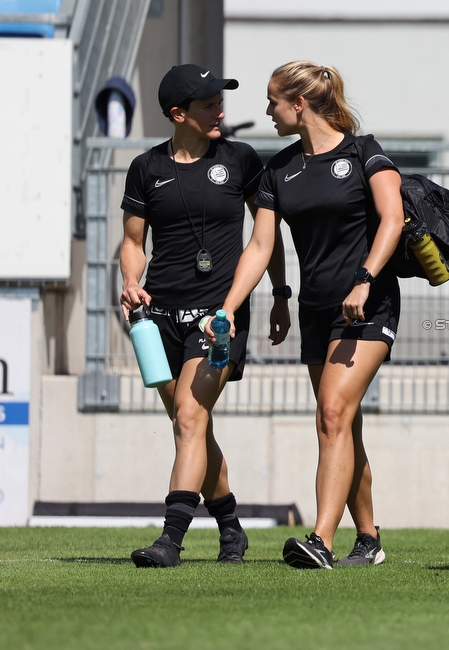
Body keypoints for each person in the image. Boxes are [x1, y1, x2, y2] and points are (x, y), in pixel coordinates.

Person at [217, 61, 403, 570]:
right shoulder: (278, 169)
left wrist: (365, 278)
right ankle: (368, 540)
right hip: (315, 310)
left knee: (332, 414)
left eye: (273, 101)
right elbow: (260, 245)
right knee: (343, 424)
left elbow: (393, 219)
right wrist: (239, 306)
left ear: (299, 104)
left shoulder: (365, 152)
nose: (267, 111)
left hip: (368, 304)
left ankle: (320, 538)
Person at [119, 64, 289, 567]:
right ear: (178, 114)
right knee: (193, 425)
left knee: (190, 418)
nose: (221, 110)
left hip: (219, 316)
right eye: (209, 103)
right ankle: (231, 528)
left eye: (221, 100)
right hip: (158, 318)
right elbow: (132, 243)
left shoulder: (240, 160)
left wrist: (280, 293)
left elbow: (266, 238)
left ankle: (170, 540)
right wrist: (131, 281)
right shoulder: (146, 167)